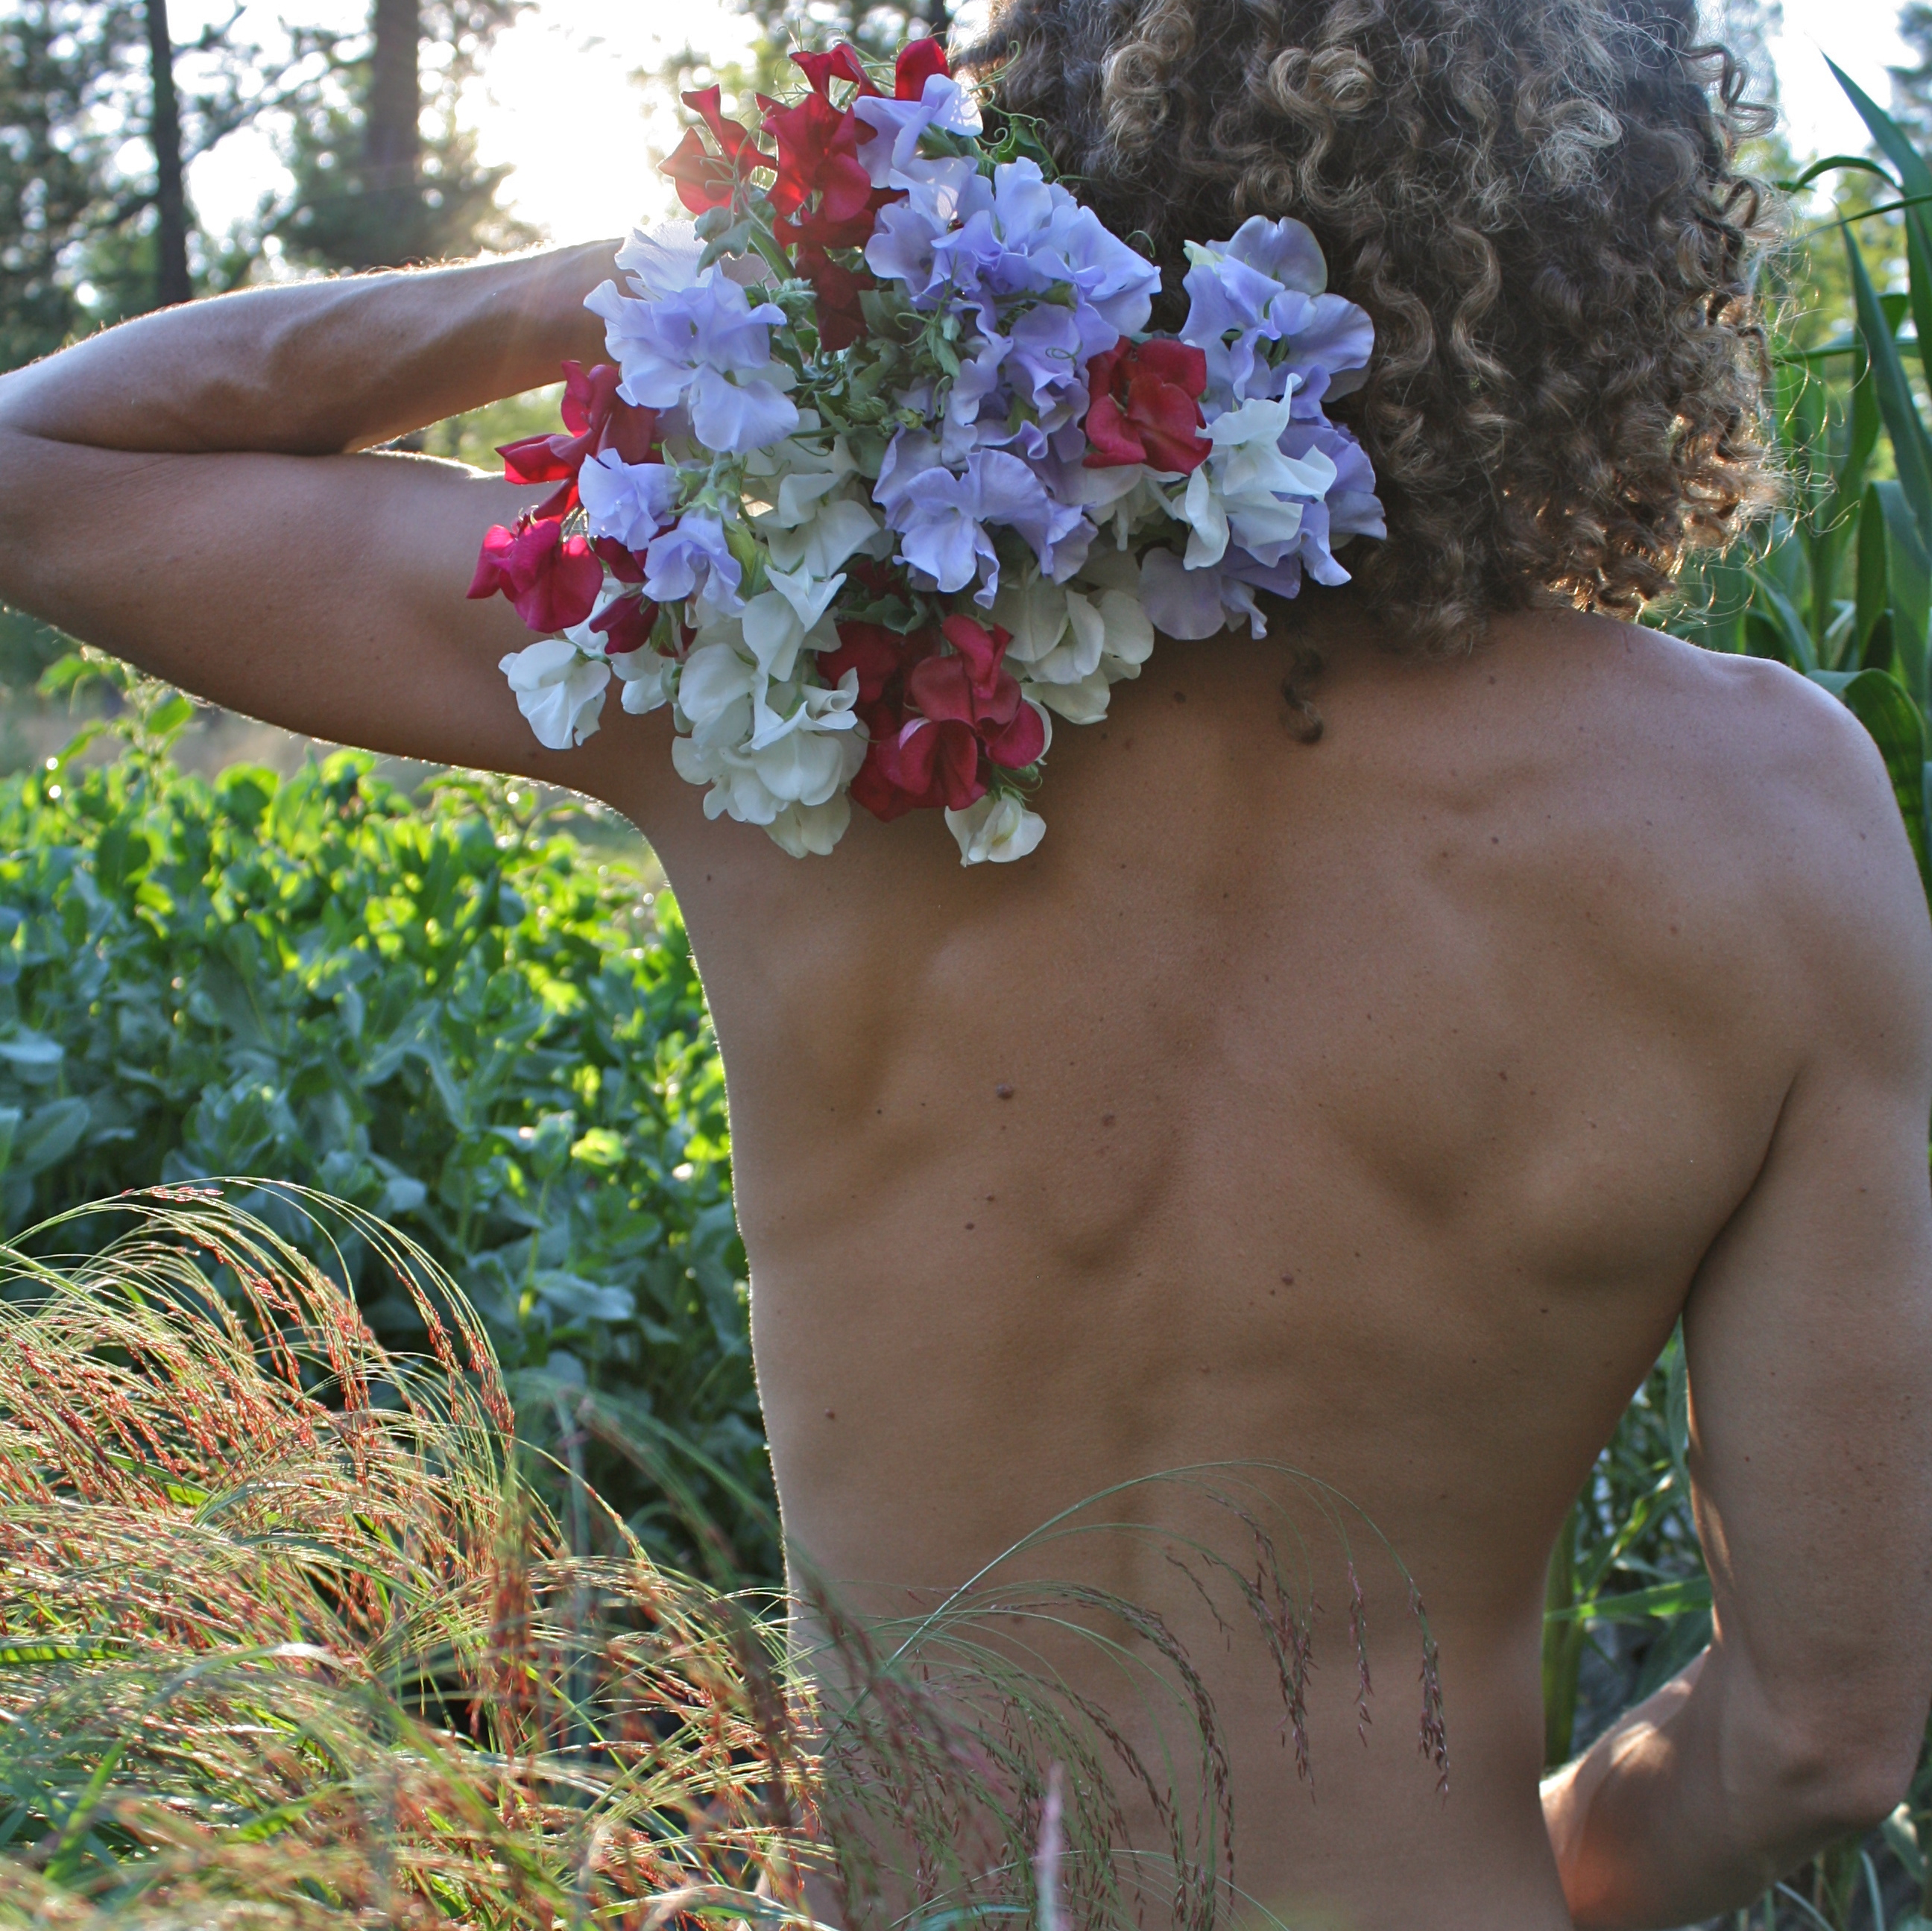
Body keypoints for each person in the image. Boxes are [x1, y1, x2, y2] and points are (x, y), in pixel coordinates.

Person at [2, 0, 1931, 1921]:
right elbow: (1819, 1739)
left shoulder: (781, 663)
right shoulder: (1775, 823)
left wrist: (640, 278)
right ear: (1628, 256)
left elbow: (45, 466)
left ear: (1062, 148)